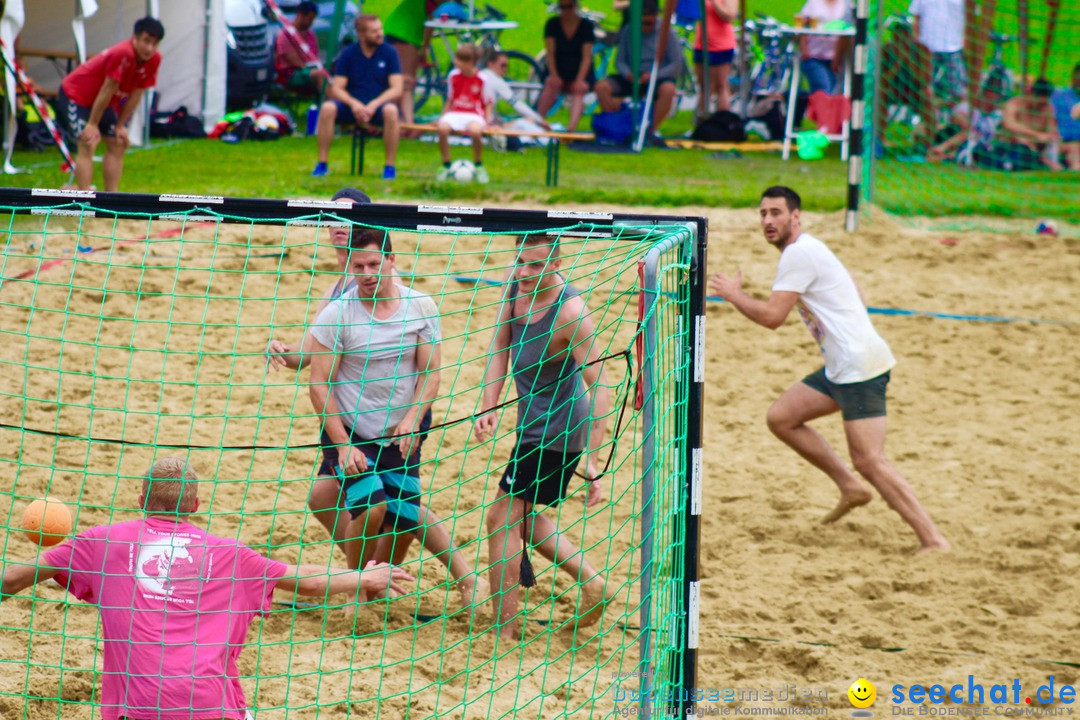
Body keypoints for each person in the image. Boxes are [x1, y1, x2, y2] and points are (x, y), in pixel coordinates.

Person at [0, 457, 414, 720]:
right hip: (210, 708)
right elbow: (303, 579)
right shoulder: (233, 555)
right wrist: (364, 577)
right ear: (196, 505)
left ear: (141, 498)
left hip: (138, 709)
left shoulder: (100, 542)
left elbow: (12, 579)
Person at [707, 186, 950, 554]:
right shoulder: (810, 247)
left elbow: (773, 318)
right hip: (843, 364)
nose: (768, 221)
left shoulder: (798, 255)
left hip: (860, 369)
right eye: (763, 214)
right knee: (781, 417)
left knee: (870, 460)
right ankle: (850, 488)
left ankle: (933, 540)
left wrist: (733, 294)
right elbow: (852, 282)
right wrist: (855, 326)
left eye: (776, 213)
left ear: (796, 217)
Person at [307, 225, 486, 607]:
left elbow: (431, 374)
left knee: (404, 519)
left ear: (392, 260)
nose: (368, 274)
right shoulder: (337, 314)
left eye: (375, 264)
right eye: (359, 267)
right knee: (370, 506)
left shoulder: (420, 306)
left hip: (403, 429)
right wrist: (341, 445)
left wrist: (412, 418)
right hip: (353, 429)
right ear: (349, 268)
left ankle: (378, 579)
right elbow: (317, 384)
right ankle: (359, 587)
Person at [473, 234, 613, 640]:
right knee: (526, 519)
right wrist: (489, 404)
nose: (524, 272)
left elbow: (600, 385)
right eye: (520, 261)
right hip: (531, 423)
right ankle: (593, 583)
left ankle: (504, 631)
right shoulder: (514, 284)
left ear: (556, 264)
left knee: (500, 520)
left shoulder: (571, 313)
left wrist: (592, 459)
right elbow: (500, 345)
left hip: (560, 429)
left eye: (535, 265)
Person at [58, 16, 164, 192]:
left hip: (102, 101)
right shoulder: (123, 53)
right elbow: (107, 89)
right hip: (76, 95)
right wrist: (92, 124)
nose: (149, 48)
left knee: (118, 142)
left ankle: (111, 198)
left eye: (155, 44)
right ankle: (84, 198)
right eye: (146, 41)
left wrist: (121, 125)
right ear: (135, 37)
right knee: (88, 141)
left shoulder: (155, 59)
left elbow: (137, 94)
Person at [312, 14, 402, 180]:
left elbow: (397, 88)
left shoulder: (389, 52)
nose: (380, 34)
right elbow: (337, 89)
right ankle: (322, 163)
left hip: (378, 107)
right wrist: (353, 103)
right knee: (327, 108)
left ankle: (389, 167)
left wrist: (375, 103)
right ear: (361, 35)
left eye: (380, 29)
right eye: (374, 31)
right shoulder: (349, 53)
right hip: (351, 106)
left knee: (391, 111)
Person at [594, 2, 684, 142]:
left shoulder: (667, 32)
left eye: (649, 22)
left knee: (668, 89)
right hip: (632, 75)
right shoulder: (628, 30)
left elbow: (676, 64)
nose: (645, 26)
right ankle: (618, 125)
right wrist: (628, 74)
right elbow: (619, 61)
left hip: (656, 75)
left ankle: (649, 130)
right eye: (643, 21)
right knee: (601, 86)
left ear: (656, 16)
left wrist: (655, 76)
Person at [908, 0, 967, 140]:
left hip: (954, 49)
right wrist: (916, 43)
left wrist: (965, 43)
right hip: (928, 48)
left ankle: (953, 127)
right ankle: (924, 126)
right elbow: (916, 18)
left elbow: (971, 19)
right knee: (925, 89)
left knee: (956, 92)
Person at [435, 44, 492, 184]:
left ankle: (478, 164)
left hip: (474, 114)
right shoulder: (453, 76)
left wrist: (487, 122)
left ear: (471, 63)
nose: (456, 62)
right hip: (456, 112)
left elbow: (488, 102)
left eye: (460, 60)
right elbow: (450, 99)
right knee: (442, 129)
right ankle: (446, 164)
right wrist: (442, 117)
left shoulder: (482, 79)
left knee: (475, 132)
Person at [537, 0, 596, 132]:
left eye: (569, 7)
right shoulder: (552, 24)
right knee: (551, 83)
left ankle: (571, 129)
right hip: (559, 68)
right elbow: (550, 53)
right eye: (562, 7)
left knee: (579, 89)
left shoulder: (586, 26)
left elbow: (587, 56)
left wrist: (580, 79)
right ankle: (539, 121)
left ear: (575, 7)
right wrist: (554, 74)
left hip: (579, 70)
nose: (565, 11)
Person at [384, 0, 437, 134]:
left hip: (400, 29)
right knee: (406, 81)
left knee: (405, 81)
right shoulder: (434, 4)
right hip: (404, 33)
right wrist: (425, 47)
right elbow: (430, 25)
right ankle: (407, 123)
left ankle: (406, 121)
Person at [997, 77, 1063, 171]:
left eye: (1044, 103)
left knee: (1071, 147)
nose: (1042, 107)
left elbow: (1052, 133)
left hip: (1037, 152)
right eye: (1040, 104)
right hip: (1012, 150)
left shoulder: (1048, 107)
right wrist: (1037, 134)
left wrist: (1051, 138)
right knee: (1022, 143)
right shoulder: (1014, 103)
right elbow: (1009, 124)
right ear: (1031, 94)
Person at [479, 51, 550, 128]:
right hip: (486, 124)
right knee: (528, 121)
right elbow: (516, 103)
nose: (505, 69)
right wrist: (540, 120)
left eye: (507, 66)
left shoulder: (479, 75)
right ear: (490, 64)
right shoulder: (496, 80)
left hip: (476, 119)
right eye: (503, 65)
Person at [692, 0, 737, 117]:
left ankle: (722, 121)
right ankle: (701, 123)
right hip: (701, 44)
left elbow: (730, 16)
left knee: (719, 85)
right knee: (704, 87)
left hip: (720, 46)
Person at [795, 0, 850, 95]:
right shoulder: (813, 3)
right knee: (824, 88)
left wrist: (837, 59)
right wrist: (804, 50)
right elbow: (802, 26)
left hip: (836, 58)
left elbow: (847, 31)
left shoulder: (846, 4)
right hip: (814, 56)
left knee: (834, 90)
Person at [274, 1, 327, 94]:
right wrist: (312, 67)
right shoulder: (285, 34)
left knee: (329, 72)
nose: (311, 22)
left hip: (308, 69)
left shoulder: (310, 34)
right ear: (300, 15)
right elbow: (294, 61)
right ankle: (327, 102)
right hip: (290, 74)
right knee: (319, 74)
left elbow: (314, 55)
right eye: (309, 19)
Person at [1049, 63, 1080, 170]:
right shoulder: (1059, 95)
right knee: (1074, 147)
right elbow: (1051, 118)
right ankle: (1076, 168)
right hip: (1065, 142)